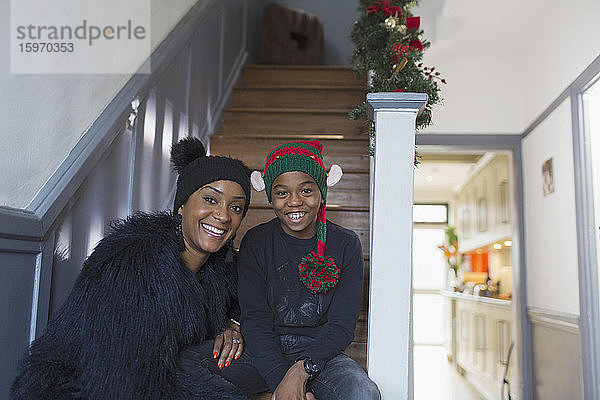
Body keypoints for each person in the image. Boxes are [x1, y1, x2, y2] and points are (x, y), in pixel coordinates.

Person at [11, 137, 256, 400]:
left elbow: (247, 298)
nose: (223, 215)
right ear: (182, 206)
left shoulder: (221, 267)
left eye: (236, 207)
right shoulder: (133, 264)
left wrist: (232, 323)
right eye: (210, 200)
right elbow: (125, 383)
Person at [237, 140, 381, 400]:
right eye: (282, 193)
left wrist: (300, 373)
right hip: (265, 350)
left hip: (321, 354)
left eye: (306, 191)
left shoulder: (346, 244)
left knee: (363, 392)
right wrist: (283, 383)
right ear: (270, 196)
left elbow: (341, 325)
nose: (294, 202)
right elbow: (255, 321)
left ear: (321, 192)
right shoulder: (256, 241)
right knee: (188, 367)